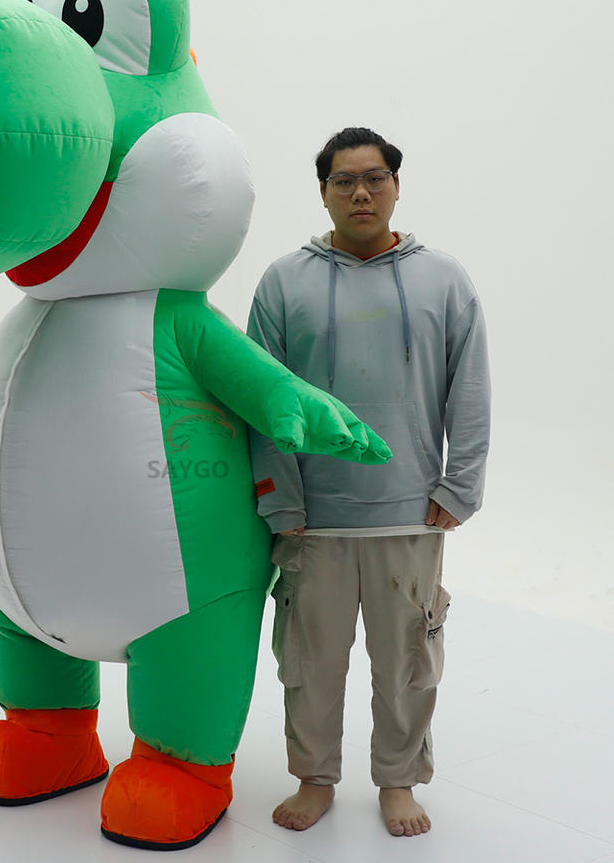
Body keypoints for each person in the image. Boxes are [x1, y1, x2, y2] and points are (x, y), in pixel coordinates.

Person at [247, 127, 490, 838]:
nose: (361, 192)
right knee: (309, 664)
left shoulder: (443, 279)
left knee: (409, 662)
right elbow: (261, 398)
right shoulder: (283, 282)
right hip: (314, 520)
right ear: (323, 192)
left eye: (375, 178)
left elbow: (470, 389)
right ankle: (314, 776)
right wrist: (280, 498)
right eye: (344, 180)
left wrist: (459, 487)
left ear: (396, 186)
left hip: (409, 512)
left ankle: (399, 780)